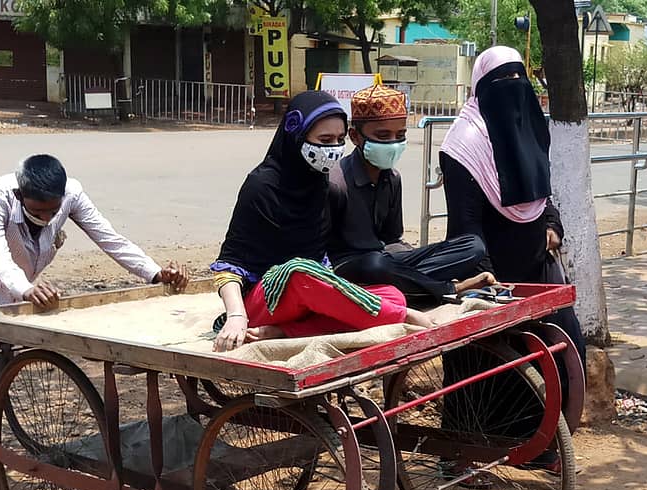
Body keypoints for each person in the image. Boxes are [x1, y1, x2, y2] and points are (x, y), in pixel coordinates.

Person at [0, 154, 189, 477]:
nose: (46, 217)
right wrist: (27, 289)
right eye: (37, 211)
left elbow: (109, 238)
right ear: (18, 196)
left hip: (11, 290)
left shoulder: (72, 194)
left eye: (53, 211)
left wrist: (154, 273)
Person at [212, 91, 436, 352]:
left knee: (392, 295)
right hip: (263, 300)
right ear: (297, 136)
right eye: (324, 140)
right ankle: (404, 316)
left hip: (309, 297)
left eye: (339, 140)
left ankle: (285, 332)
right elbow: (229, 265)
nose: (333, 149)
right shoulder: (262, 186)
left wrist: (335, 288)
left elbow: (321, 262)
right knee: (299, 271)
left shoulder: (320, 183)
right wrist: (236, 317)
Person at [439, 46, 585, 369]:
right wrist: (490, 286)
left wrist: (552, 225)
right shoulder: (463, 146)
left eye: (519, 77)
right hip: (487, 272)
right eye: (503, 78)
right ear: (481, 87)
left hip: (535, 263)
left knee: (569, 345)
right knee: (497, 369)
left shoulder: (528, 130)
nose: (514, 84)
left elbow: (541, 194)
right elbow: (466, 228)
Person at [328, 84, 494, 307]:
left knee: (473, 246)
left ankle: (407, 284)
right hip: (351, 268)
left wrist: (411, 259)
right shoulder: (336, 183)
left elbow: (392, 239)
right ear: (355, 136)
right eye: (383, 135)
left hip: (387, 261)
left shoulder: (392, 178)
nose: (393, 143)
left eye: (400, 135)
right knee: (375, 265)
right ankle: (447, 288)